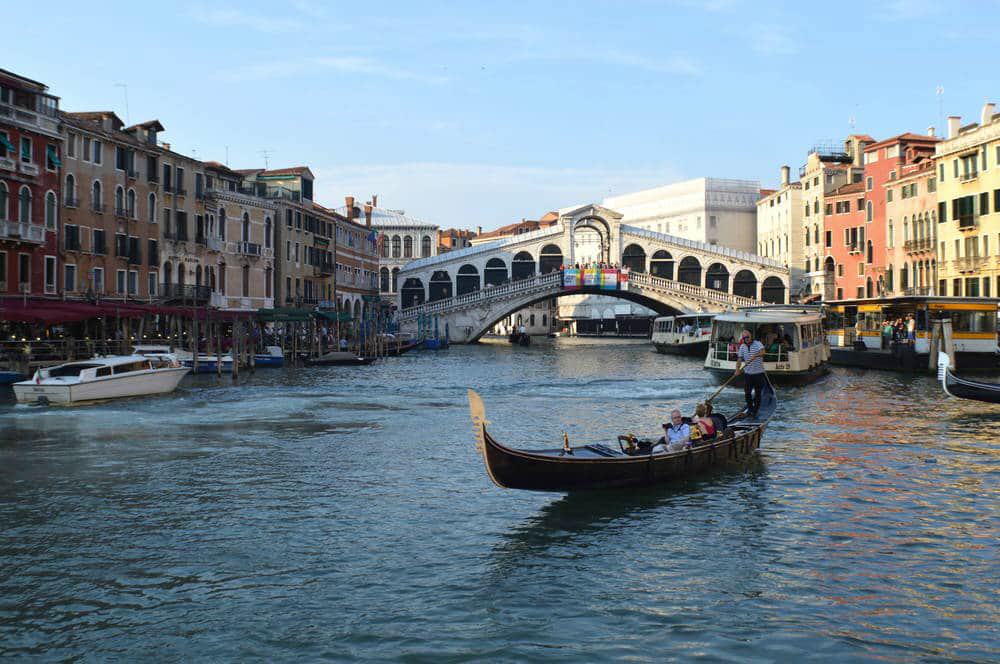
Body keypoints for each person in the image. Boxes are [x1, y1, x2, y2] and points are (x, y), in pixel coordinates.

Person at [735, 328, 766, 418]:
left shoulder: (757, 343)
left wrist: (755, 355)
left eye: (747, 337)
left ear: (750, 336)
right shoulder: (742, 347)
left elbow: (763, 352)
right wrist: (737, 369)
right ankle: (750, 409)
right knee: (747, 393)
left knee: (758, 393)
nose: (746, 339)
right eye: (744, 337)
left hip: (758, 374)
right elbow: (739, 359)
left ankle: (755, 411)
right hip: (748, 374)